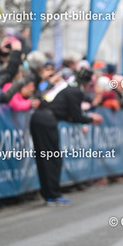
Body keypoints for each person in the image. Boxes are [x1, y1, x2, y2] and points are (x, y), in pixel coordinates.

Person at [30, 66, 103, 206]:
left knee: (44, 158)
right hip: (47, 121)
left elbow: (63, 111)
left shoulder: (63, 86)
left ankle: (48, 194)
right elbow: (76, 116)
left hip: (37, 118)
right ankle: (54, 195)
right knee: (53, 159)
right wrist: (91, 119)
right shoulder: (75, 91)